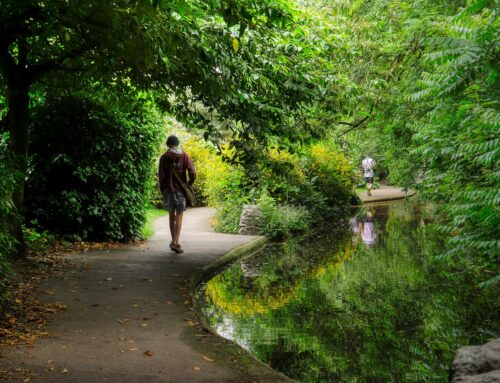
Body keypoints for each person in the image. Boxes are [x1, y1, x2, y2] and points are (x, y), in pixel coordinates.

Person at [158, 135, 196, 253]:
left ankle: (173, 241)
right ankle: (175, 242)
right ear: (177, 144)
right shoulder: (184, 156)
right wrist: (188, 184)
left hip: (169, 191)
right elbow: (192, 172)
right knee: (179, 215)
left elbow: (161, 176)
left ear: (168, 144)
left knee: (171, 215)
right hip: (180, 191)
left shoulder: (164, 157)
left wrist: (162, 189)